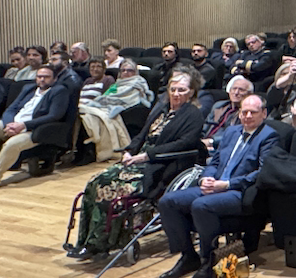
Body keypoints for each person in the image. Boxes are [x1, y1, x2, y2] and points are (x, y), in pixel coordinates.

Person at [65, 70, 204, 259]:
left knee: (108, 190)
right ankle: (86, 241)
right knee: (94, 182)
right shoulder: (160, 109)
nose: (176, 94)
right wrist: (129, 151)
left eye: (182, 90)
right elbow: (142, 134)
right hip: (138, 160)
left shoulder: (193, 115)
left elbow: (184, 144)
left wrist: (146, 156)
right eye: (173, 89)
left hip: (160, 165)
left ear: (191, 92)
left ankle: (101, 244)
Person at [155, 95, 280, 278]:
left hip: (239, 191)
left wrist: (227, 185)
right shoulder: (231, 132)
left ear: (264, 114)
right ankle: (188, 255)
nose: (247, 116)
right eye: (244, 112)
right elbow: (214, 161)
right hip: (215, 185)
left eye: (253, 112)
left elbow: (262, 173)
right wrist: (207, 177)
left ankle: (208, 261)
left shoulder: (269, 136)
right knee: (168, 202)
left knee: (201, 205)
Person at [0, 66, 69, 191]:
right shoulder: (29, 89)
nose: (42, 79)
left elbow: (54, 116)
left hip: (34, 129)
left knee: (12, 144)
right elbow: (11, 109)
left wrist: (23, 125)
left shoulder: (59, 91)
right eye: (39, 77)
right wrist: (9, 125)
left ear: (55, 79)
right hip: (14, 124)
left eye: (46, 77)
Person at [78, 58, 153, 162]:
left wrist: (114, 103)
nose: (126, 73)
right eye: (123, 70)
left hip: (123, 107)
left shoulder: (138, 82)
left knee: (97, 117)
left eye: (129, 70)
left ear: (135, 72)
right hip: (105, 105)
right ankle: (86, 150)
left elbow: (131, 98)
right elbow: (106, 96)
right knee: (87, 117)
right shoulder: (116, 84)